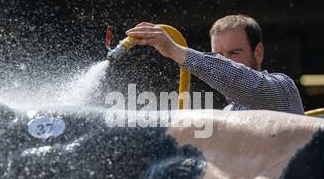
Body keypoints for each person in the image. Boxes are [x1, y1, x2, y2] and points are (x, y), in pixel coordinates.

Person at [125, 14, 305, 114]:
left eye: (234, 53)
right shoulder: (226, 114)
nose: (224, 61)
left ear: (258, 52)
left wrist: (174, 50)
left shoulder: (283, 89)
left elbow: (243, 81)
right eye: (218, 55)